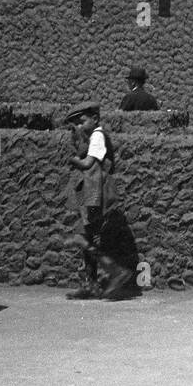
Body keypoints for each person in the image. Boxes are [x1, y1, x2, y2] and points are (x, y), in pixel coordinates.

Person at [64, 102, 141, 300]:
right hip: (90, 193)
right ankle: (91, 283)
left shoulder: (98, 135)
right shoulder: (91, 137)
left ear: (95, 119)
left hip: (96, 195)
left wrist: (72, 159)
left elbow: (88, 163)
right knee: (84, 235)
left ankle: (115, 272)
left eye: (82, 122)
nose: (79, 127)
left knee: (85, 237)